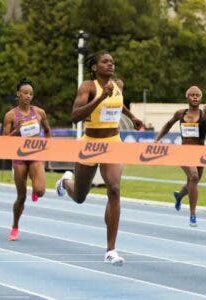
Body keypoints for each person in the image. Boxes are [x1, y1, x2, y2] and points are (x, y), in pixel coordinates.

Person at [55, 51, 143, 266]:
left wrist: (132, 117)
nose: (110, 64)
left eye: (112, 61)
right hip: (90, 143)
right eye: (105, 61)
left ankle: (111, 250)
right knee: (79, 197)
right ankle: (66, 182)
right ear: (94, 67)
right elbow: (75, 116)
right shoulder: (88, 86)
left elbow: (117, 104)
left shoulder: (118, 84)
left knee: (113, 188)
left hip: (113, 142)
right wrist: (101, 97)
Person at [155, 86, 206, 226]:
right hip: (184, 151)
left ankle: (179, 195)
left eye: (198, 95)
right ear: (187, 97)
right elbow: (168, 125)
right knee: (193, 176)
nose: (195, 97)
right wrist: (157, 139)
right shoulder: (180, 113)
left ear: (201, 98)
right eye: (192, 95)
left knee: (193, 182)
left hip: (200, 152)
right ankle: (193, 215)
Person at [2, 78, 51, 241]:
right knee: (21, 196)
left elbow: (48, 131)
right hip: (19, 157)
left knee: (40, 191)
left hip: (36, 155)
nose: (28, 96)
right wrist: (17, 131)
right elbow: (3, 141)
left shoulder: (39, 113)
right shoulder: (10, 115)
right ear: (18, 94)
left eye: (31, 93)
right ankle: (15, 226)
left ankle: (35, 190)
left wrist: (47, 146)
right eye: (25, 93)